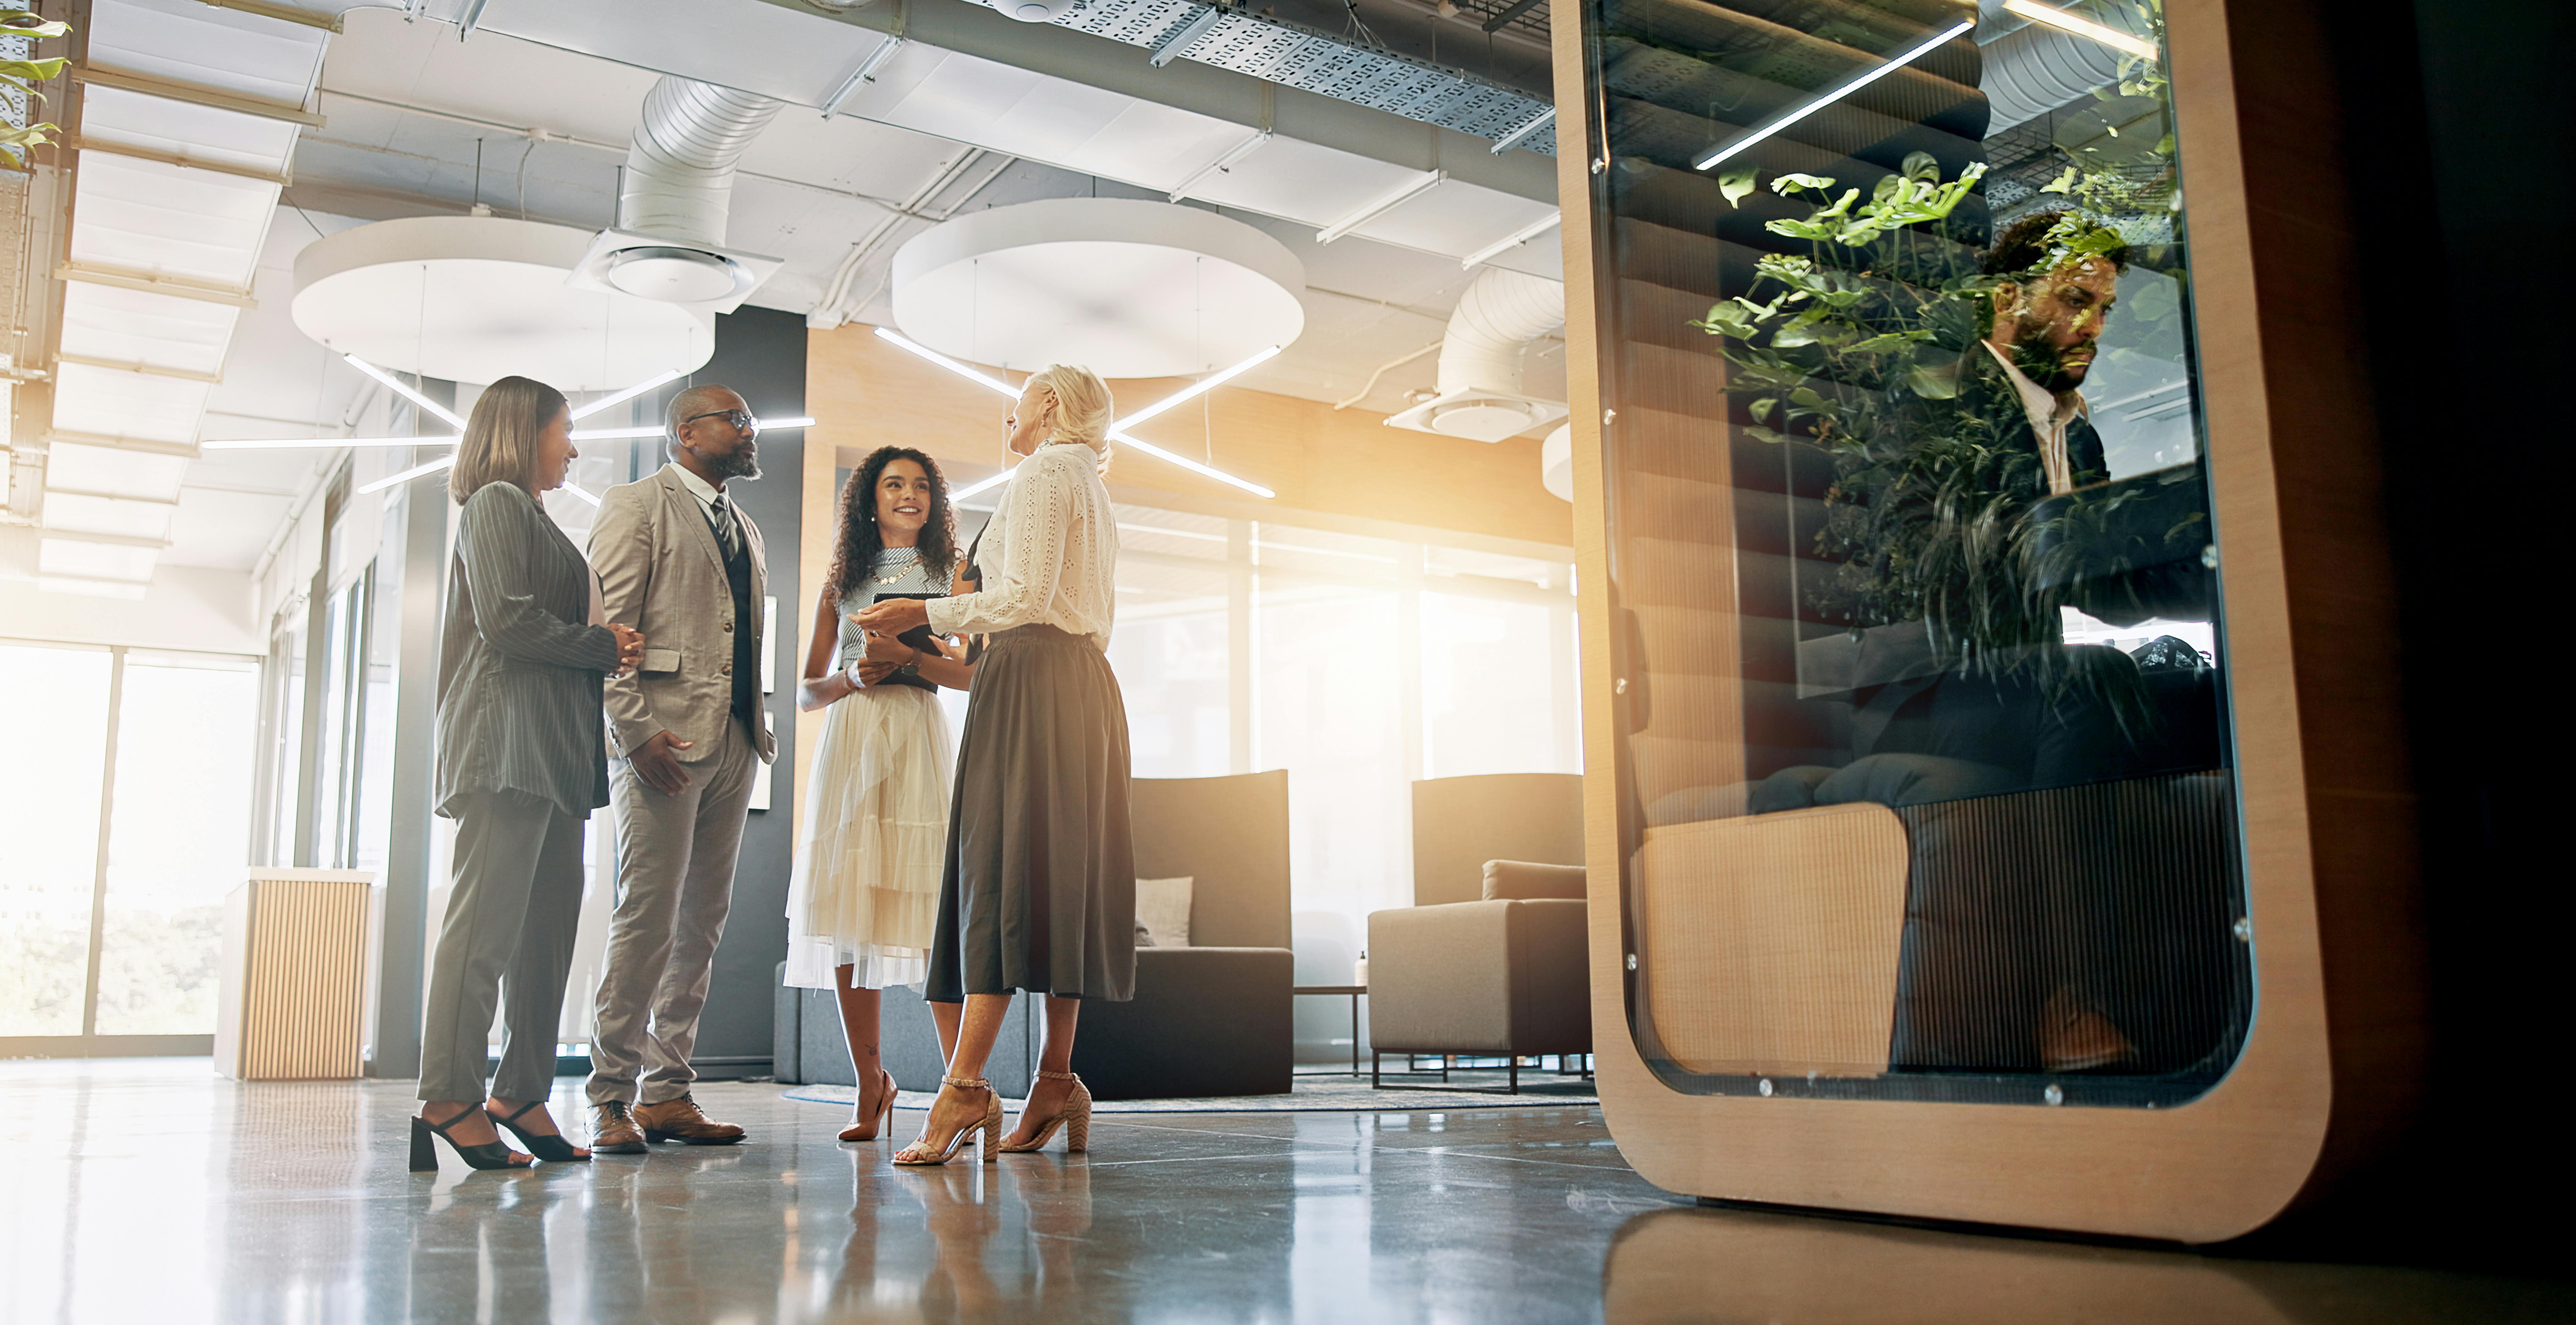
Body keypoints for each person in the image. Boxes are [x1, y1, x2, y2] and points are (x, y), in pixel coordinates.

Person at [852, 364, 1132, 1166]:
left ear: (1046, 406)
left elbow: (1023, 599)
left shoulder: (1046, 470)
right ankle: (1054, 1078)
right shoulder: (1089, 484)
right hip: (1075, 687)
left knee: (1002, 879)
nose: (1009, 417)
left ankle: (965, 1085)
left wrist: (919, 609)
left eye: (1019, 401)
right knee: (1058, 885)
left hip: (1034, 682)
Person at [412, 375, 644, 1172]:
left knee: (546, 935)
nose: (573, 447)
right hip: (505, 744)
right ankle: (448, 1094)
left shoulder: (536, 517)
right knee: (483, 931)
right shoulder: (496, 504)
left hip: (553, 750)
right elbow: (506, 620)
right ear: (523, 430)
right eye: (565, 430)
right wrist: (603, 645)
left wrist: (602, 644)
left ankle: (521, 1091)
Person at [582, 384, 776, 1153]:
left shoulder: (748, 528)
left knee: (702, 922)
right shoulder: (637, 503)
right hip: (662, 743)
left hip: (733, 742)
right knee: (648, 918)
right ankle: (607, 1096)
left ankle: (668, 1092)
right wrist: (634, 733)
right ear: (685, 432)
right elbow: (609, 630)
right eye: (737, 418)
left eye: (749, 417)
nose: (749, 428)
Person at [785, 446, 975, 1143]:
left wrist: (910, 660)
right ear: (870, 498)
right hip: (854, 738)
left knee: (933, 914)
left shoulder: (953, 576)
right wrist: (856, 678)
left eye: (922, 485)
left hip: (919, 738)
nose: (909, 495)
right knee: (845, 905)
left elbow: (970, 676)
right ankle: (872, 1082)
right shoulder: (842, 582)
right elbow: (806, 690)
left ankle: (963, 1083)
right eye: (895, 483)